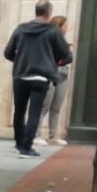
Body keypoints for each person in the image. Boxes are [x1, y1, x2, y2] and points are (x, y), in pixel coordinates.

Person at [3, 0, 73, 158]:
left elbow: (8, 52)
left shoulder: (20, 29)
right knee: (34, 112)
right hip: (41, 77)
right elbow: (66, 55)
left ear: (36, 11)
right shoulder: (53, 31)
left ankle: (19, 143)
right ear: (48, 13)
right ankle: (27, 147)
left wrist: (21, 60)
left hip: (21, 75)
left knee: (19, 111)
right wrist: (52, 62)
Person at [37, 15, 73, 146]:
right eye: (65, 26)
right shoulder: (48, 39)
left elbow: (68, 58)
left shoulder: (63, 41)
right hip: (50, 75)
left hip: (62, 75)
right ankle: (36, 135)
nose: (66, 29)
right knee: (44, 106)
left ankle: (53, 136)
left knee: (56, 107)